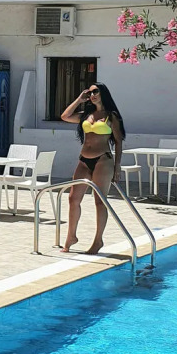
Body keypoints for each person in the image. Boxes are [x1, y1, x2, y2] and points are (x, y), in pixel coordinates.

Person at [59, 83, 125, 254]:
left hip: (103, 160)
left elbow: (118, 141)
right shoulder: (86, 115)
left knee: (99, 201)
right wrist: (79, 100)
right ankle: (71, 236)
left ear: (103, 93)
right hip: (84, 160)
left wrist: (117, 166)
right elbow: (65, 116)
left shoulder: (111, 116)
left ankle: (98, 240)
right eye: (90, 92)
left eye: (95, 91)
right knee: (73, 198)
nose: (92, 94)